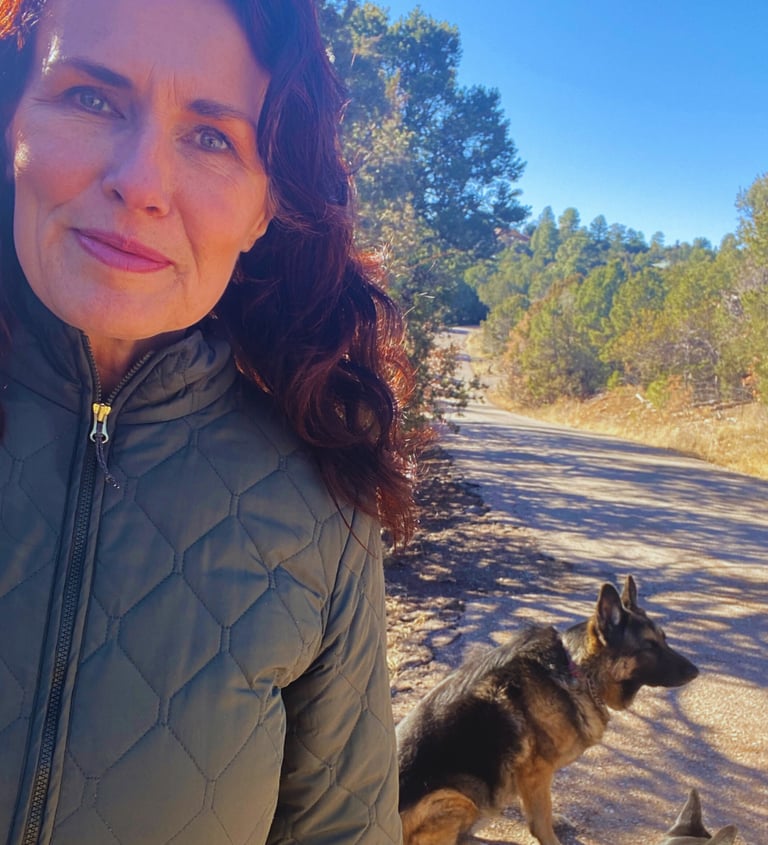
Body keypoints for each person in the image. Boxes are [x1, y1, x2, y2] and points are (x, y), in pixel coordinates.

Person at [0, 0, 416, 842]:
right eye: (90, 98)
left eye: (213, 137)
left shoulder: (324, 509)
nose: (141, 182)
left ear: (266, 208)